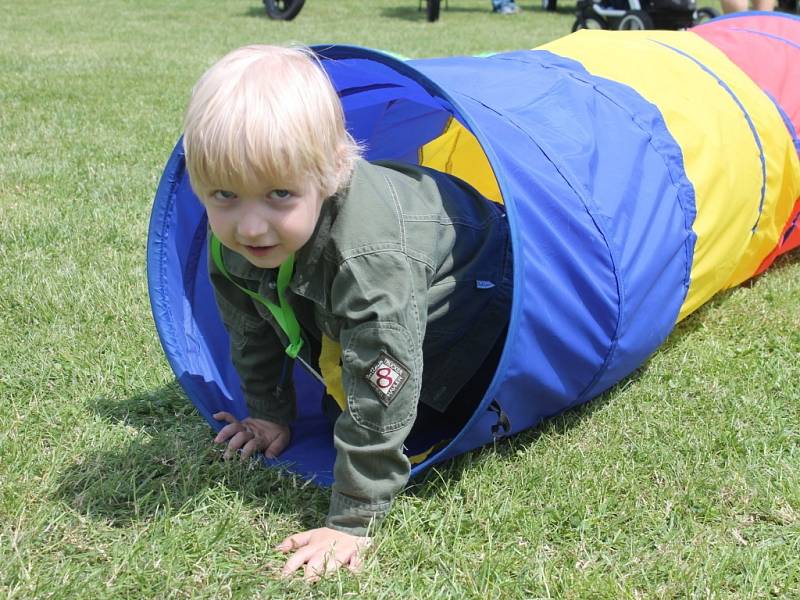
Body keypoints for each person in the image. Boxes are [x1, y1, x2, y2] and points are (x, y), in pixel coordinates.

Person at [181, 45, 513, 581]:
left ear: (332, 171)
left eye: (279, 195)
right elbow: (250, 329)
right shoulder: (234, 246)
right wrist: (268, 412)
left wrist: (352, 519)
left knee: (407, 412)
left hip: (486, 282)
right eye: (224, 195)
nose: (250, 227)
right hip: (396, 263)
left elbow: (385, 381)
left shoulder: (370, 264)